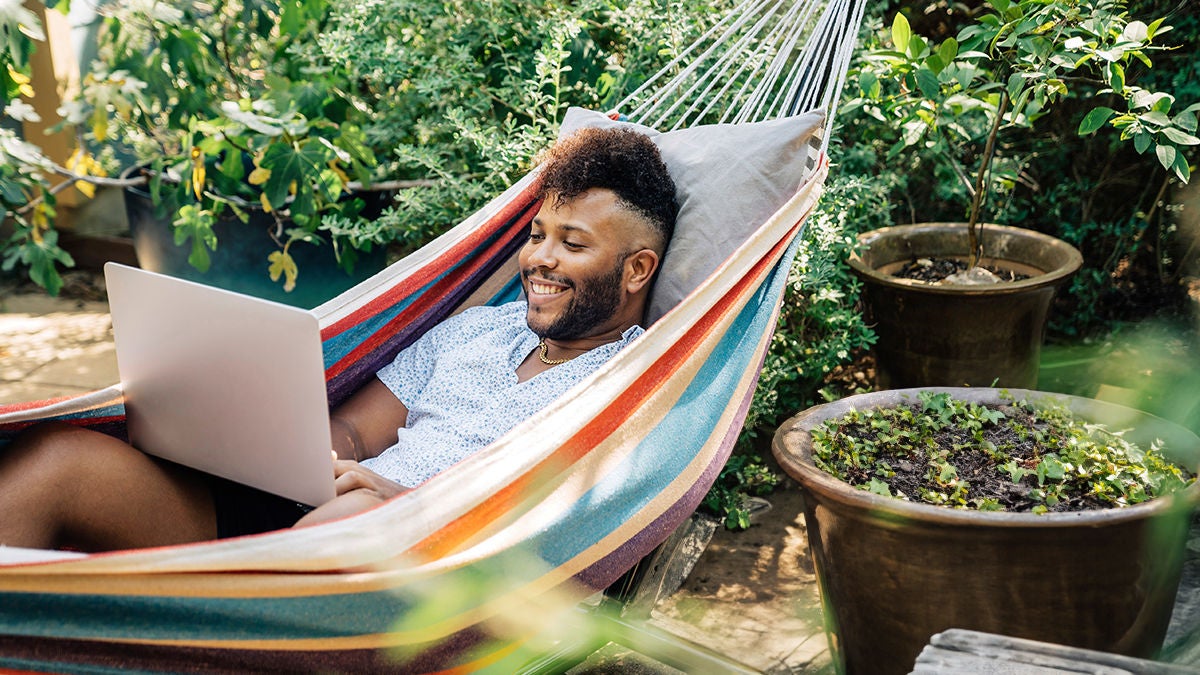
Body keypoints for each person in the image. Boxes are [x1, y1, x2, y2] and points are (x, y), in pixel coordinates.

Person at [0, 126, 679, 552]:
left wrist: (393, 497)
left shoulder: (630, 385)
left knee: (334, 530)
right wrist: (278, 443)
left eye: (573, 243)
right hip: (309, 514)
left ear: (637, 269)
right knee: (59, 462)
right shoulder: (476, 329)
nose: (540, 260)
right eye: (536, 236)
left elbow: (543, 516)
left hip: (401, 563)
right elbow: (354, 433)